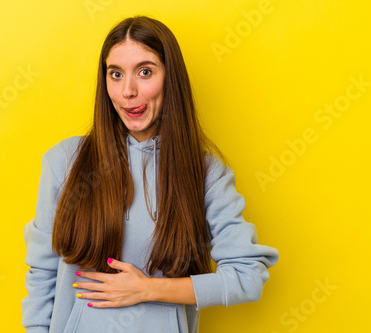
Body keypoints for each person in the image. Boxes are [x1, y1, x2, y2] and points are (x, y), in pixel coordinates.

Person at [22, 15, 279, 333]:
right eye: (115, 74)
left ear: (170, 78)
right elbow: (42, 273)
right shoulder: (65, 161)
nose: (128, 91)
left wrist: (148, 289)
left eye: (145, 72)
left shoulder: (206, 174)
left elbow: (247, 277)